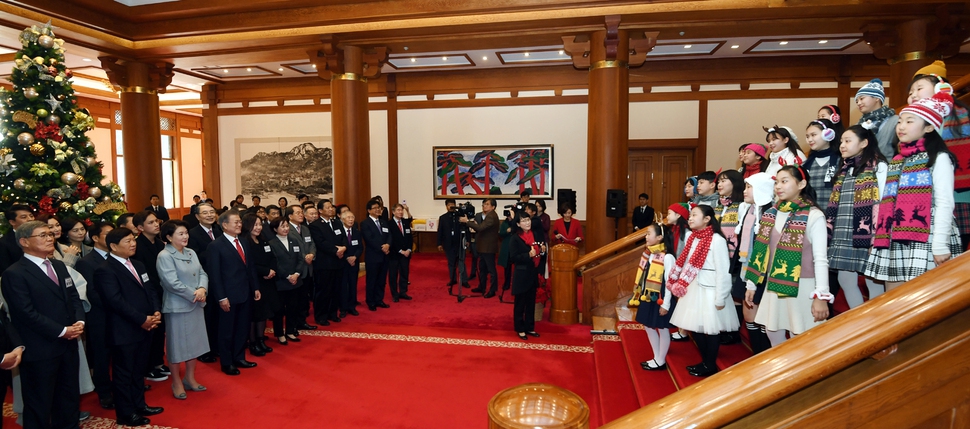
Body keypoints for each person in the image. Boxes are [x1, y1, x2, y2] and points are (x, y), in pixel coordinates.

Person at [865, 92, 962, 290]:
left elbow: (944, 203)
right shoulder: (898, 160)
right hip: (895, 235)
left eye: (909, 121)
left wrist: (940, 245)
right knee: (893, 299)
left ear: (928, 127)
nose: (901, 126)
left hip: (928, 235)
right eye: (900, 121)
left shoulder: (939, 157)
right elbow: (886, 203)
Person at [1, 220, 84, 428]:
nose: (50, 238)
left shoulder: (57, 265)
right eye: (43, 235)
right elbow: (25, 313)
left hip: (68, 344)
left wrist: (79, 321)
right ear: (24, 242)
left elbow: (73, 296)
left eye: (50, 234)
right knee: (39, 403)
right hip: (40, 349)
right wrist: (62, 330)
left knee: (69, 398)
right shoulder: (15, 273)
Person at [745, 166, 832, 347]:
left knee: (799, 334)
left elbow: (820, 259)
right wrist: (752, 284)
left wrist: (820, 296)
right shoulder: (770, 214)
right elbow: (760, 252)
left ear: (801, 184)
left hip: (803, 285)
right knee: (772, 330)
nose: (778, 186)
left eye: (784, 181)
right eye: (776, 182)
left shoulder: (814, 215)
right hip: (774, 282)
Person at [95, 227, 164, 427]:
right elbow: (114, 301)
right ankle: (126, 413)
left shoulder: (138, 264)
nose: (133, 243)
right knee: (124, 373)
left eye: (133, 240)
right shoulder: (105, 269)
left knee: (138, 370)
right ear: (114, 246)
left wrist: (156, 310)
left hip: (146, 325)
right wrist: (141, 319)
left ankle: (139, 404)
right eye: (127, 241)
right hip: (124, 329)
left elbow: (150, 290)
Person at [668, 205, 738, 377]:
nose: (690, 218)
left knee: (711, 330)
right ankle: (706, 360)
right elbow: (687, 262)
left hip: (710, 290)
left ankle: (710, 364)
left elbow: (723, 270)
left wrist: (721, 296)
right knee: (696, 327)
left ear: (707, 219)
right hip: (694, 287)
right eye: (690, 215)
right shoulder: (693, 237)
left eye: (694, 215)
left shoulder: (717, 240)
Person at [908, 62, 970, 250]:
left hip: (959, 195)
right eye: (911, 92)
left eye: (919, 88)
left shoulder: (958, 115)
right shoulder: (915, 121)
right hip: (925, 194)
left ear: (939, 87)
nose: (914, 95)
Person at [825, 125, 888, 310]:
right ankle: (859, 320)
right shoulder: (844, 168)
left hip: (867, 231)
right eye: (842, 141)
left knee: (872, 280)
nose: (842, 145)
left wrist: (877, 236)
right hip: (843, 230)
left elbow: (884, 201)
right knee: (845, 279)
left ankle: (876, 322)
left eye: (848, 141)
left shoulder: (879, 166)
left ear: (864, 143)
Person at [156, 220, 209, 400]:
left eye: (186, 232)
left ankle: (190, 378)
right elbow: (171, 283)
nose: (185, 236)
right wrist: (195, 294)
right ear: (169, 237)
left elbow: (202, 272)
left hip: (195, 303)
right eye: (180, 234)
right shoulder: (165, 256)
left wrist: (202, 289)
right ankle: (177, 382)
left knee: (195, 344)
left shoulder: (191, 252)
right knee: (177, 346)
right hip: (178, 306)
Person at [207, 210, 262, 375]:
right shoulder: (215, 246)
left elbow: (250, 268)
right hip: (228, 296)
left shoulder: (244, 242)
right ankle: (227, 362)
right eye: (236, 222)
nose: (239, 225)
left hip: (245, 293)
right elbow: (215, 275)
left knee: (242, 328)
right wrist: (221, 297)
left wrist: (256, 287)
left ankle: (239, 357)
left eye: (240, 222)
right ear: (224, 225)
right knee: (226, 330)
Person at [74, 220, 115, 410]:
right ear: (96, 238)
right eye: (107, 234)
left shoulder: (116, 256)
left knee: (120, 352)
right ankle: (104, 392)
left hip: (119, 314)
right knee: (101, 355)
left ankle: (121, 385)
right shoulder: (86, 262)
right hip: (100, 315)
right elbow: (92, 292)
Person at [735, 173, 775, 354]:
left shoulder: (770, 212)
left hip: (762, 270)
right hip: (746, 267)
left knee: (759, 317)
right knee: (749, 315)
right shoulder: (749, 210)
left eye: (749, 187)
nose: (745, 191)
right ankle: (756, 355)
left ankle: (762, 356)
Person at [131, 210, 169, 382]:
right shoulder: (138, 246)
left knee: (161, 330)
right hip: (149, 294)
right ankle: (148, 367)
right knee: (151, 332)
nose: (156, 225)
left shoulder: (160, 244)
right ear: (140, 227)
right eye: (151, 222)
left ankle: (158, 363)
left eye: (157, 221)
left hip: (162, 292)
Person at [634, 224, 677, 370]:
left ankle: (661, 360)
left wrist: (666, 304)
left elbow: (670, 282)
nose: (646, 236)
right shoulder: (649, 253)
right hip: (648, 295)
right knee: (648, 325)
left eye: (649, 233)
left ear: (659, 237)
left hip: (661, 296)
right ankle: (656, 356)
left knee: (662, 328)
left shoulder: (668, 257)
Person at [186, 202, 222, 364]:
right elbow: (195, 258)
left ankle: (215, 346)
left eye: (212, 212)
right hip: (203, 280)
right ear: (197, 216)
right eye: (205, 213)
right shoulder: (192, 234)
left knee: (217, 316)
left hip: (220, 279)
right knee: (205, 317)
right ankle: (203, 350)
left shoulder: (219, 230)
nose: (209, 215)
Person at [240, 214, 279, 355]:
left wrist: (272, 270)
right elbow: (249, 265)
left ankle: (261, 339)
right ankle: (253, 342)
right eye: (255, 225)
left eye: (260, 224)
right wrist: (265, 271)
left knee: (264, 313)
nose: (258, 227)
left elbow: (272, 257)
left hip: (268, 281)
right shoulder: (244, 242)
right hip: (254, 282)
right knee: (254, 314)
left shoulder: (263, 240)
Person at [308, 200, 345, 325]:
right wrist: (336, 250)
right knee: (323, 291)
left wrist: (344, 248)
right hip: (324, 263)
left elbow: (343, 238)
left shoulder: (337, 223)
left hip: (338, 262)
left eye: (331, 207)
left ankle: (333, 313)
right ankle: (321, 316)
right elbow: (321, 242)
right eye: (328, 207)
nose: (331, 209)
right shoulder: (315, 225)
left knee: (336, 290)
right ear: (320, 211)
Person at [508, 210, 543, 341]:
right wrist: (528, 255)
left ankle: (529, 327)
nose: (527, 222)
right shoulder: (515, 238)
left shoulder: (535, 235)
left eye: (528, 220)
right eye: (523, 221)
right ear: (518, 224)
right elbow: (513, 257)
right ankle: (520, 328)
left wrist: (542, 251)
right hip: (521, 274)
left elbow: (538, 251)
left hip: (533, 272)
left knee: (531, 302)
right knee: (520, 303)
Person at [268, 218, 304, 344]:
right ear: (275, 229)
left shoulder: (294, 240)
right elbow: (275, 263)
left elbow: (300, 259)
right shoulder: (271, 243)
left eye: (287, 226)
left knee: (293, 308)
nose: (286, 228)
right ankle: (279, 333)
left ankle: (290, 331)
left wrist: (297, 274)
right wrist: (288, 276)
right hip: (281, 283)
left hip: (295, 281)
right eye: (282, 226)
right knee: (279, 310)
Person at [285, 205, 317, 330]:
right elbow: (292, 249)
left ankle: (302, 321)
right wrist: (304, 257)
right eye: (297, 213)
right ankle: (292, 325)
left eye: (301, 212)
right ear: (290, 216)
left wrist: (312, 254)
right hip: (296, 269)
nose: (301, 215)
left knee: (304, 298)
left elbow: (311, 243)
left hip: (308, 268)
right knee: (294, 300)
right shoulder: (287, 229)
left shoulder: (305, 228)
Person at [462, 198, 500, 298]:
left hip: (488, 248)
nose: (484, 206)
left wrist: (467, 222)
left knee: (491, 270)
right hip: (484, 247)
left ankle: (493, 290)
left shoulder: (491, 216)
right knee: (482, 268)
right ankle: (482, 286)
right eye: (484, 204)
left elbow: (480, 228)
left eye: (487, 204)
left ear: (493, 207)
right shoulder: (489, 215)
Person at [361, 199, 393, 311]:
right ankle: (371, 301)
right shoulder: (365, 223)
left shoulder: (384, 222)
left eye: (379, 207)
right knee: (372, 280)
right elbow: (369, 239)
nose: (378, 209)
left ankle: (379, 299)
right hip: (373, 256)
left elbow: (389, 235)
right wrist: (382, 247)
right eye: (375, 208)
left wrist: (388, 245)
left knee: (381, 279)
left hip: (385, 256)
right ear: (369, 210)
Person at [856, 78, 899, 159]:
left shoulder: (896, 121)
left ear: (877, 98)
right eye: (857, 101)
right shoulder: (858, 125)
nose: (859, 103)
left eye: (862, 98)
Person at [803, 119, 841, 210]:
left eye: (813, 135)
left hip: (835, 214)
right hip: (811, 215)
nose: (809, 140)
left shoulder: (841, 161)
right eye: (807, 136)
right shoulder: (806, 164)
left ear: (828, 134)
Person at [337, 209, 362, 317]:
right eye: (348, 218)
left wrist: (355, 257)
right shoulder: (338, 232)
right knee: (343, 286)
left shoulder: (356, 232)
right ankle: (343, 308)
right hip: (342, 262)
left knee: (353, 285)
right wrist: (347, 258)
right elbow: (338, 247)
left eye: (352, 218)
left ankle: (352, 307)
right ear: (342, 219)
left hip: (354, 263)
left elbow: (360, 247)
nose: (351, 220)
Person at [436, 199, 466, 287]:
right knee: (451, 262)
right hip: (448, 243)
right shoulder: (443, 218)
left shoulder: (460, 216)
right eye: (449, 205)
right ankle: (453, 280)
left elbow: (465, 228)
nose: (451, 206)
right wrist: (439, 243)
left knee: (461, 262)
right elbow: (440, 231)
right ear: (446, 206)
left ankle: (464, 280)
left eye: (452, 204)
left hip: (459, 242)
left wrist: (467, 240)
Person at [388, 203, 414, 302]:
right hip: (394, 254)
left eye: (401, 210)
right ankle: (395, 294)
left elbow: (409, 237)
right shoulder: (389, 224)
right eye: (398, 210)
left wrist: (409, 249)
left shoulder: (405, 222)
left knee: (404, 273)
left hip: (406, 253)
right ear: (393, 212)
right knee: (393, 275)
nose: (400, 212)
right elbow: (391, 240)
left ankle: (403, 292)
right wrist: (400, 251)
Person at [0, 204, 34, 274]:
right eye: (24, 217)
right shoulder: (4, 243)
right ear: (12, 222)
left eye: (31, 216)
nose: (30, 219)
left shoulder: (41, 235)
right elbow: (6, 270)